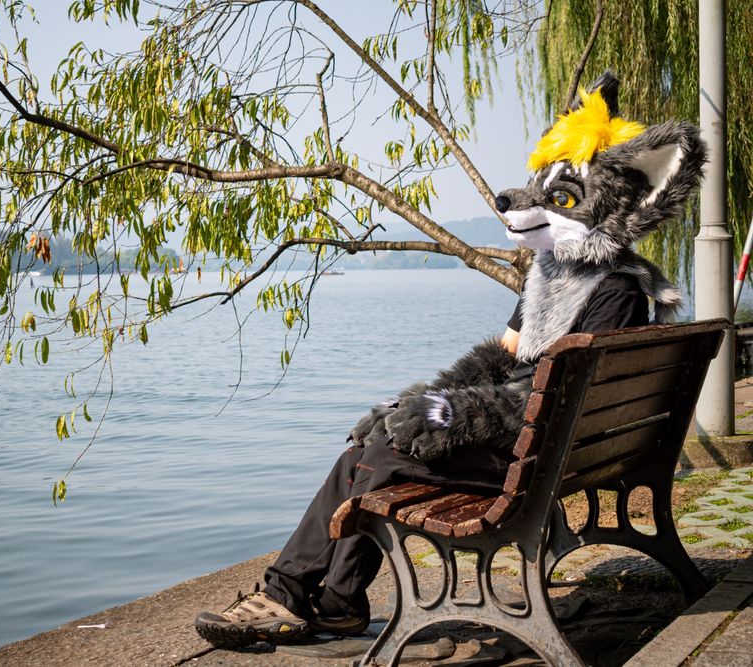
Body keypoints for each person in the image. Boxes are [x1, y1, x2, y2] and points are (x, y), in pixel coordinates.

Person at [193, 71, 705, 649]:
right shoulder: (556, 278)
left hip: (538, 454)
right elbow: (500, 357)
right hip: (547, 443)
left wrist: (442, 415)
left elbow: (559, 397)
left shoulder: (613, 289)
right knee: (371, 450)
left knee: (379, 454)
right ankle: (332, 602)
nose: (526, 202)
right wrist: (418, 404)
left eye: (559, 198)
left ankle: (294, 597)